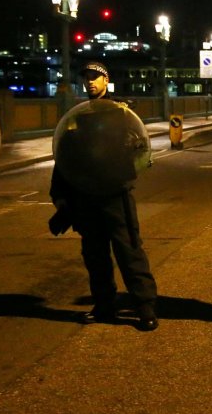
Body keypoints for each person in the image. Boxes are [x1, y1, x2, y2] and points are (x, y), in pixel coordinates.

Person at [49, 61, 159, 332]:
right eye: (87, 78)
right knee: (94, 254)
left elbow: (139, 145)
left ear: (106, 80)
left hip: (115, 192)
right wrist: (60, 194)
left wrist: (138, 160)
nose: (90, 82)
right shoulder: (77, 115)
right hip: (85, 194)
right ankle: (103, 305)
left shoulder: (120, 111)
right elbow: (65, 156)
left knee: (129, 250)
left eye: (96, 78)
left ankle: (145, 308)